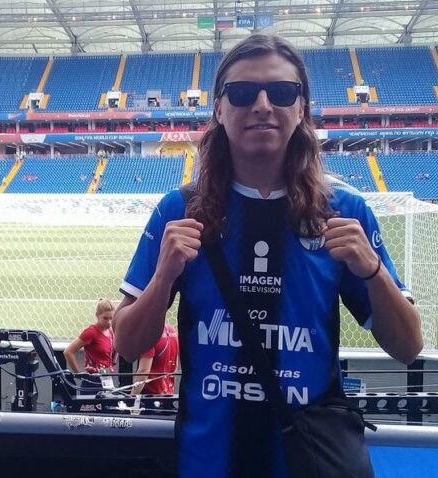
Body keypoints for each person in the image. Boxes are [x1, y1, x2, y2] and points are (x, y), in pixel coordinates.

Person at [113, 34, 421, 477]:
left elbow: (408, 347)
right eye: (242, 92)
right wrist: (163, 278)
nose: (262, 105)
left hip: (306, 463)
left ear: (302, 108)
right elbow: (127, 344)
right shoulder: (180, 209)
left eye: (281, 92)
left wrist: (372, 271)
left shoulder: (343, 211)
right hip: (206, 464)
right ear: (219, 109)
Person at [64, 299, 117, 389]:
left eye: (111, 318)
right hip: (92, 382)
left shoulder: (110, 331)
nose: (109, 322)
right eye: (105, 318)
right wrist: (78, 374)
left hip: (107, 379)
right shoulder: (91, 332)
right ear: (97, 316)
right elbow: (68, 352)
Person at [131, 322, 178, 395]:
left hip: (151, 393)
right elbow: (175, 366)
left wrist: (132, 396)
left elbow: (144, 371)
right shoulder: (172, 330)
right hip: (167, 392)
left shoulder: (149, 333)